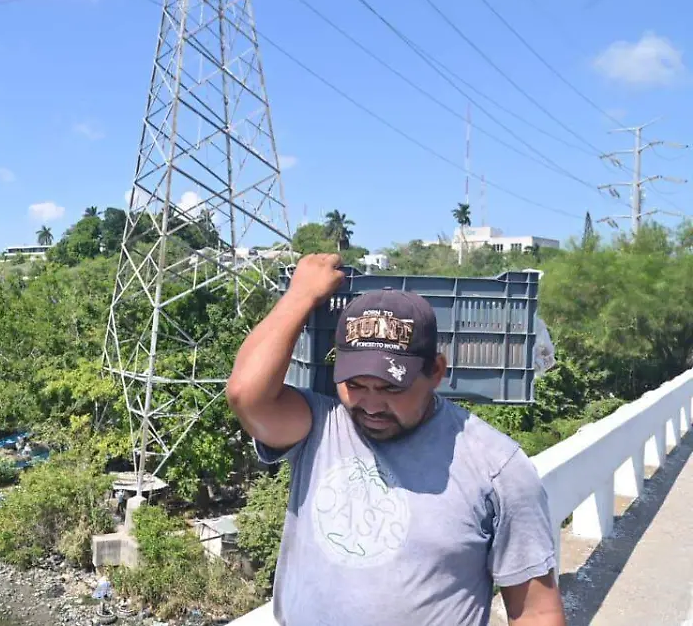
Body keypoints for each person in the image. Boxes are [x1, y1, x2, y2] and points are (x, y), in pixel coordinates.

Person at [226, 253, 565, 626]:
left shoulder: (496, 467)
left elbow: (537, 610)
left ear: (436, 371)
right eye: (354, 384)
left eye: (391, 387)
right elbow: (247, 395)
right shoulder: (321, 426)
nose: (371, 405)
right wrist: (299, 296)